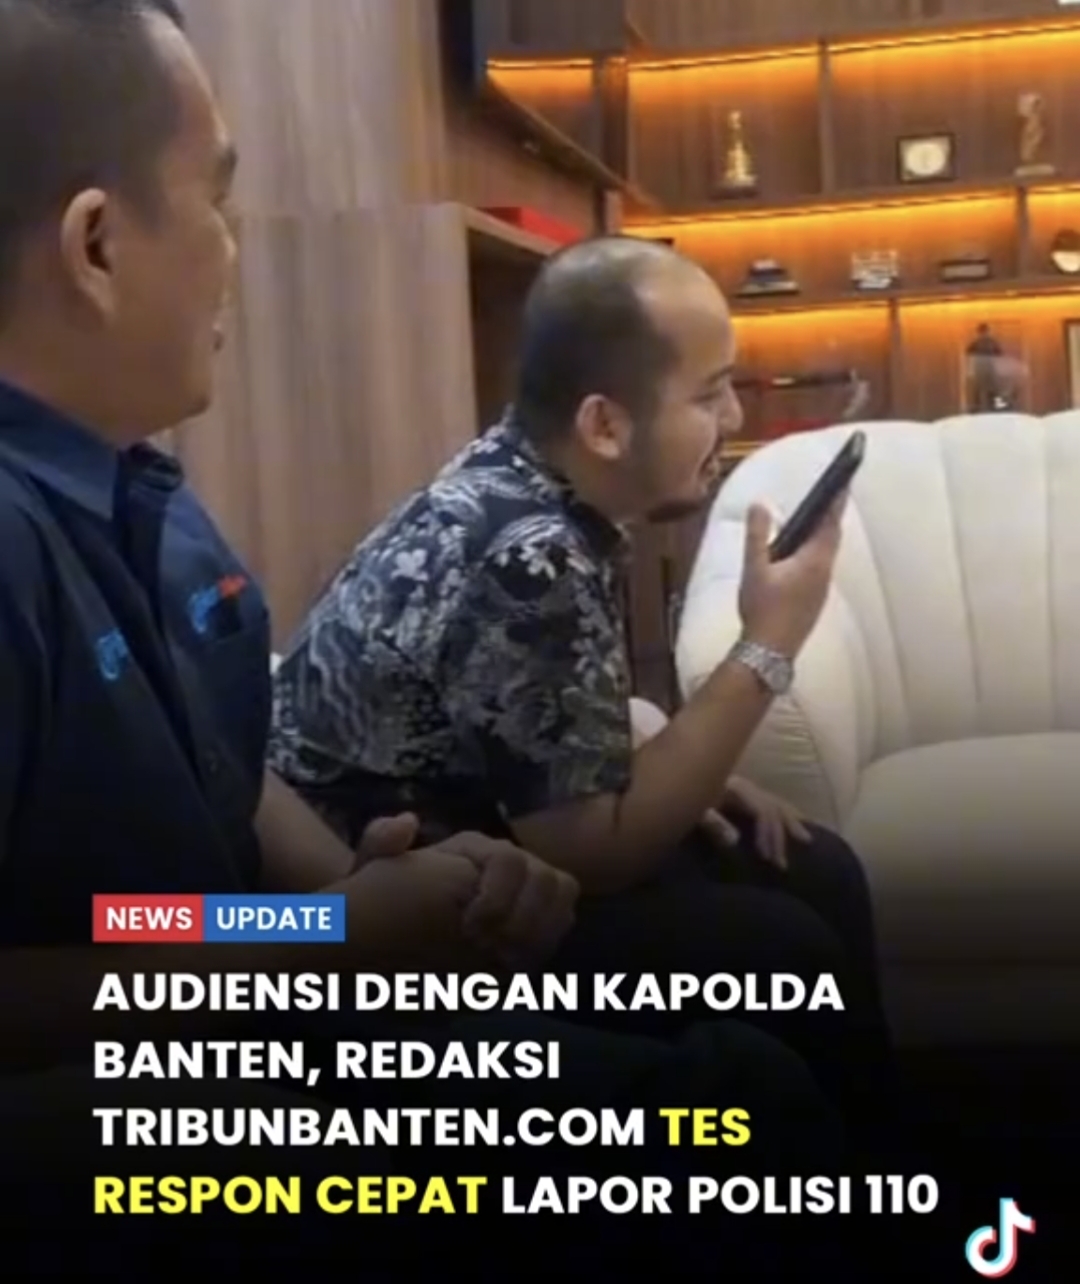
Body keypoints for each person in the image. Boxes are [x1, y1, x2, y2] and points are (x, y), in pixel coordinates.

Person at [0, 2, 847, 1270]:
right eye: (217, 201)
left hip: (260, 982)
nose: (235, 249)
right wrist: (325, 954)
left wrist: (363, 901)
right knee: (739, 1100)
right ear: (97, 244)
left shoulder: (147, 502)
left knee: (766, 1018)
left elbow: (210, 816)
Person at [269, 236, 896, 1139]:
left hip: (495, 828)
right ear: (604, 425)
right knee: (782, 955)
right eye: (709, 393)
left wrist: (678, 762)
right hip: (407, 898)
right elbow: (593, 855)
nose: (731, 417)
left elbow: (533, 718)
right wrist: (770, 641)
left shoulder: (518, 474)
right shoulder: (531, 553)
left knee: (813, 868)